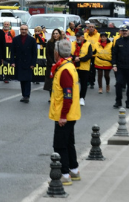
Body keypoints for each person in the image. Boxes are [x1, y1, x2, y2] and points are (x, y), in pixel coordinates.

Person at [49, 38, 82, 185]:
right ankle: (74, 170)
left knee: (60, 145)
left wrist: (62, 116)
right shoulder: (69, 65)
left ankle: (64, 175)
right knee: (69, 143)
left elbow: (67, 95)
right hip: (70, 112)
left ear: (57, 53)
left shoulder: (64, 70)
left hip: (65, 114)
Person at [12, 24, 37, 103]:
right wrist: (12, 62)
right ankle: (24, 95)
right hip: (19, 62)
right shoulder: (16, 39)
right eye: (22, 29)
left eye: (25, 29)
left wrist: (33, 63)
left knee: (27, 80)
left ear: (27, 30)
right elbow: (12, 52)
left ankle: (27, 95)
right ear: (20, 30)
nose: (23, 31)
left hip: (28, 63)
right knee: (22, 80)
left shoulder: (32, 40)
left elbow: (34, 53)